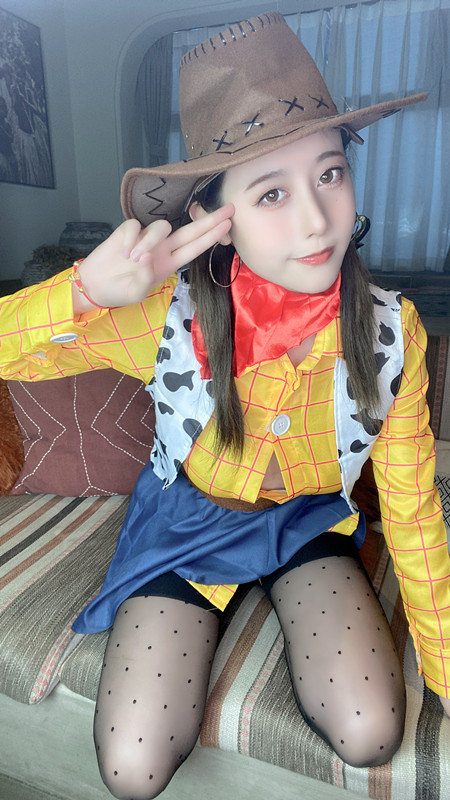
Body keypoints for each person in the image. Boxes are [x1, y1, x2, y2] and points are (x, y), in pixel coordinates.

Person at [1, 11, 449, 800]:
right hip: (185, 525)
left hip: (307, 520)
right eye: (271, 191)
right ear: (218, 222)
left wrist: (445, 670)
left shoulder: (392, 334)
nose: (315, 220)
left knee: (372, 728)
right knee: (133, 765)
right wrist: (83, 293)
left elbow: (412, 514)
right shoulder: (162, 316)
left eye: (330, 173)